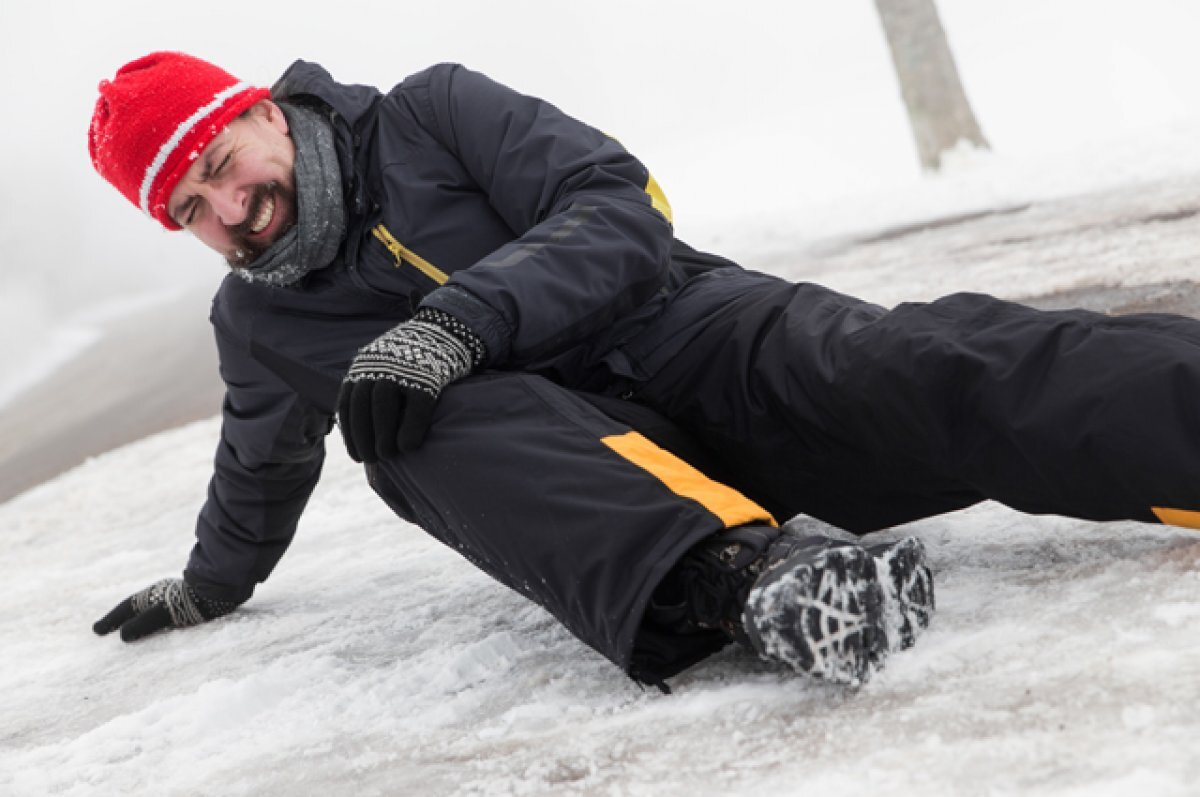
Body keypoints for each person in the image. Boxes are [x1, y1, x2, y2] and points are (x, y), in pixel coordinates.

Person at [87, 52, 1200, 690]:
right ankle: (758, 586)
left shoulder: (432, 112)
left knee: (941, 363)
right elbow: (258, 460)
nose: (231, 210)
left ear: (260, 113)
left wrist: (461, 318)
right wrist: (209, 583)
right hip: (598, 495)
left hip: (703, 337)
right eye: (191, 208)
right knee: (398, 424)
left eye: (223, 165)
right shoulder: (258, 323)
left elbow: (619, 207)